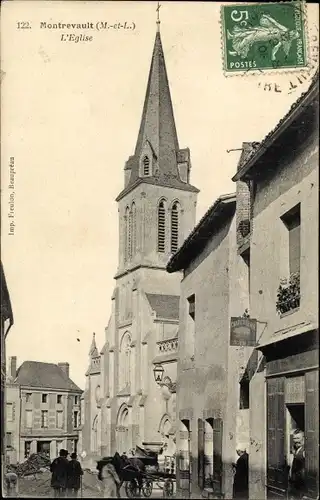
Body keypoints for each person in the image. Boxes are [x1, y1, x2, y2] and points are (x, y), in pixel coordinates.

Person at [288, 429, 306, 500]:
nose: (295, 440)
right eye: (294, 438)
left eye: (298, 438)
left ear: (303, 438)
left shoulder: (306, 450)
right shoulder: (295, 448)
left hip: (302, 481)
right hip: (294, 480)